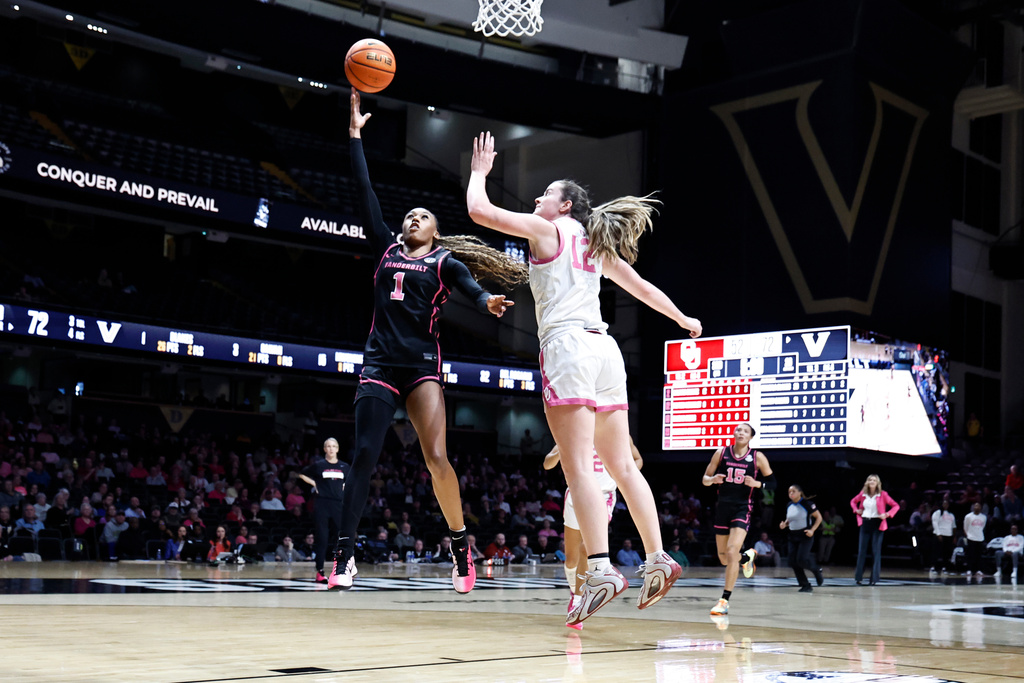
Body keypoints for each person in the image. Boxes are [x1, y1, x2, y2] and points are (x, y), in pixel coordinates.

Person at [468, 132, 699, 626]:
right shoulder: (596, 245)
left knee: (578, 469)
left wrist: (479, 173)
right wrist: (682, 320)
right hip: (605, 350)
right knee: (621, 466)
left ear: (565, 204)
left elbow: (480, 213)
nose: (537, 199)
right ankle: (657, 557)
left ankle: (600, 568)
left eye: (545, 193)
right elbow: (642, 289)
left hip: (569, 348)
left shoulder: (547, 229)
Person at [327, 91, 525, 594]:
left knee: (436, 458)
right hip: (378, 362)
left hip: (420, 366)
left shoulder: (444, 262)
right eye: (409, 215)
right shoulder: (385, 247)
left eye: (424, 216)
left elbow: (473, 290)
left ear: (435, 234)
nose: (413, 217)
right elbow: (363, 189)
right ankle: (344, 558)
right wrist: (355, 136)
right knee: (364, 456)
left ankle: (460, 547)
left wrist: (488, 305)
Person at [543, 438, 644, 629]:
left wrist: (621, 476)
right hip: (575, 494)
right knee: (571, 558)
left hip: (604, 496)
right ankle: (575, 593)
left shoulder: (616, 430)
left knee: (586, 548)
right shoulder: (576, 429)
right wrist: (559, 451)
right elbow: (547, 464)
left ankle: (579, 600)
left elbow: (638, 459)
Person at [702, 423, 776, 616]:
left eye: (745, 431)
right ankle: (747, 557)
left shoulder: (758, 457)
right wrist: (712, 480)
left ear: (751, 437)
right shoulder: (721, 453)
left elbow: (774, 483)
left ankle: (724, 601)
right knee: (724, 558)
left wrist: (758, 483)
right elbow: (704, 479)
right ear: (734, 434)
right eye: (738, 430)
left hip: (743, 508)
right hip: (723, 508)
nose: (741, 432)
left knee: (731, 549)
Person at [298, 437, 350, 583]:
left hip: (338, 505)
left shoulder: (344, 467)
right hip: (322, 504)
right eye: (328, 446)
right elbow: (302, 474)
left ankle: (340, 570)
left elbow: (352, 480)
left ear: (338, 449)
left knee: (340, 539)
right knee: (322, 538)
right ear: (324, 449)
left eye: (334, 446)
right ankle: (320, 572)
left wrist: (345, 487)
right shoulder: (319, 465)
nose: (331, 448)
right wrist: (314, 483)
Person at [850, 474, 901, 585]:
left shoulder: (883, 494)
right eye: (870, 480)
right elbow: (853, 502)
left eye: (874, 480)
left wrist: (887, 514)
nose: (872, 481)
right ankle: (858, 577)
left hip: (877, 524)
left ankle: (874, 579)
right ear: (867, 482)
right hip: (865, 522)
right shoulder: (863, 494)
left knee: (875, 551)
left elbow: (896, 506)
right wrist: (856, 510)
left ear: (877, 483)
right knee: (861, 551)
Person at [779, 484, 824, 592]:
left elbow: (819, 518)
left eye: (793, 491)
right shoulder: (789, 505)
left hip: (805, 535)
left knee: (801, 560)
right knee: (793, 562)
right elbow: (789, 520)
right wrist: (784, 524)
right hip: (792, 536)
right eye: (789, 492)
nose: (791, 494)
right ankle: (805, 585)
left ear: (800, 492)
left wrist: (812, 530)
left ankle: (816, 570)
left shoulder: (807, 504)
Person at [930, 499, 956, 574]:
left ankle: (944, 567)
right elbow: (935, 523)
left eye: (947, 504)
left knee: (946, 552)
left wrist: (953, 536)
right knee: (936, 551)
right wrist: (938, 534)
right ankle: (933, 567)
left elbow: (954, 526)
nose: (945, 505)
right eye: (944, 504)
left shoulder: (951, 515)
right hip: (939, 534)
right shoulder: (937, 513)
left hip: (948, 535)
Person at [963, 502, 987, 577]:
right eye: (975, 506)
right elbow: (965, 527)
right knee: (970, 555)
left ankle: (978, 570)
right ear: (973, 507)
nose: (977, 507)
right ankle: (969, 570)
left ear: (981, 508)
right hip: (971, 537)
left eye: (978, 506)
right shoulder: (968, 516)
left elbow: (983, 527)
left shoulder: (983, 517)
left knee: (979, 555)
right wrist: (968, 535)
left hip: (980, 538)